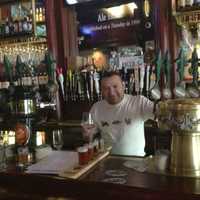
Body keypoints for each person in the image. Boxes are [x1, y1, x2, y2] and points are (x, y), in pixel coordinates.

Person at [82, 71, 156, 157]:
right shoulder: (96, 108)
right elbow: (88, 138)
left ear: (123, 86)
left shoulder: (139, 102)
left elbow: (160, 113)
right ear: (101, 90)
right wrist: (87, 135)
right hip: (108, 161)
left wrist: (164, 109)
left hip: (136, 162)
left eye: (115, 86)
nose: (111, 92)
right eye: (106, 88)